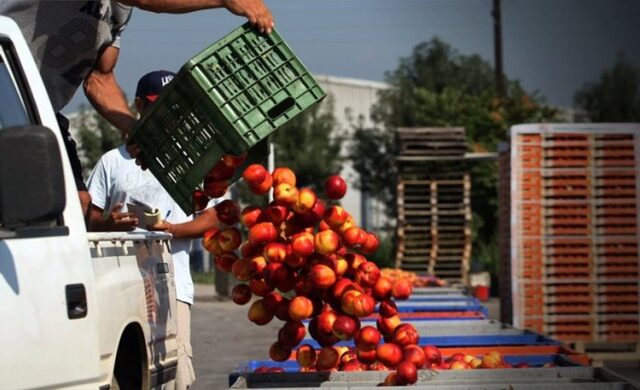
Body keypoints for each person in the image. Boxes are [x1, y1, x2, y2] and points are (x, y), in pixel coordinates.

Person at [0, 0, 274, 222]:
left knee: (78, 206)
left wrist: (135, 130)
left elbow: (99, 79)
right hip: (6, 97)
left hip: (39, 114)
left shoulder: (119, 10)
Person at [87, 70, 221, 389]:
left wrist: (170, 229)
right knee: (129, 373)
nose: (165, 117)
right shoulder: (112, 162)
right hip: (120, 284)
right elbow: (87, 216)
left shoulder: (194, 159)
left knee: (176, 374)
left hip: (172, 283)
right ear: (138, 106)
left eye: (173, 108)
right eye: (156, 107)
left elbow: (215, 216)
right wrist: (109, 223)